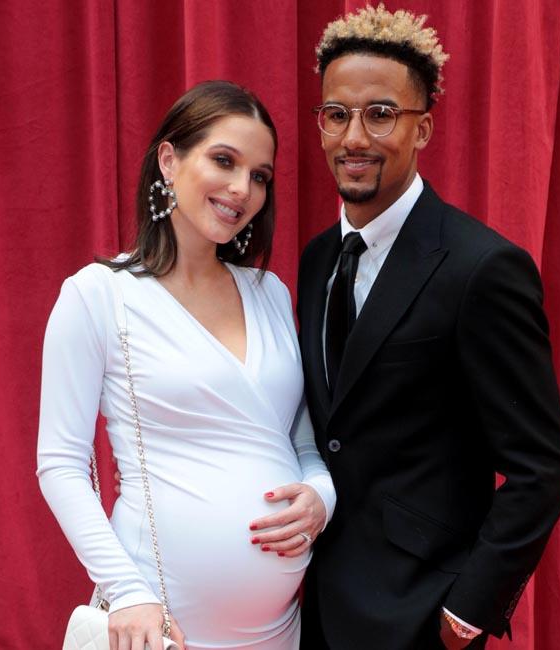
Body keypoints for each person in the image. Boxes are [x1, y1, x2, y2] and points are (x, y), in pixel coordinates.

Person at [295, 5, 560, 650]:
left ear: (422, 128)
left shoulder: (483, 268)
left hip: (419, 613)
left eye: (380, 113)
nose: (354, 137)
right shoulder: (315, 260)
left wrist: (468, 610)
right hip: (313, 604)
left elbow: (541, 466)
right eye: (336, 114)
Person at [37, 80, 336, 650]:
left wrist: (322, 495)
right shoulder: (98, 295)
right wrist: (126, 590)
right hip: (156, 626)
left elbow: (300, 440)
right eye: (224, 160)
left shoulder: (270, 293)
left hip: (279, 632)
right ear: (169, 161)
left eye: (260, 176)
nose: (242, 188)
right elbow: (60, 463)